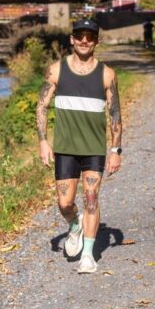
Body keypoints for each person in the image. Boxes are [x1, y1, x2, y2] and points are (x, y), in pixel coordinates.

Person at [36, 18, 123, 274]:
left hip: (94, 149)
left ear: (97, 41)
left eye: (90, 36)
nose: (85, 40)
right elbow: (41, 106)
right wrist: (43, 141)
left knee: (92, 199)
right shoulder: (56, 71)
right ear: (72, 39)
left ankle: (88, 254)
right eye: (80, 36)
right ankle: (75, 225)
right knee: (64, 203)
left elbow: (115, 114)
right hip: (65, 148)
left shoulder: (107, 74)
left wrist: (115, 151)